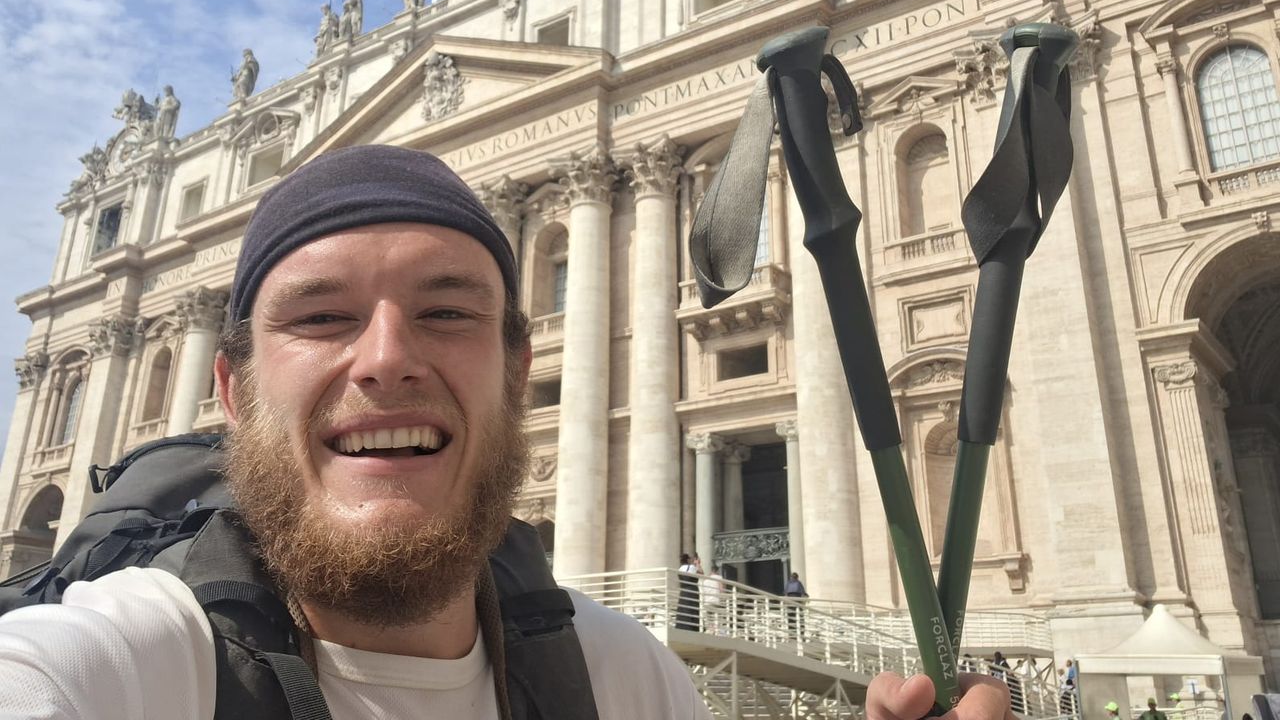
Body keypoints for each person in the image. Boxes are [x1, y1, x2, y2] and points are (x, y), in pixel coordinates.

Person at [0, 145, 1021, 720]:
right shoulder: (109, 673)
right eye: (320, 316)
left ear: (520, 368)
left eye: (447, 310)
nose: (385, 359)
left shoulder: (625, 680)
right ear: (229, 388)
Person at [676, 552, 700, 630]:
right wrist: (698, 564)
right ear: (688, 560)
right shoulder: (692, 567)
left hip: (683, 592)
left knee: (684, 610)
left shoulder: (680, 568)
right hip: (691, 591)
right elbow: (701, 573)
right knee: (692, 610)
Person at [700, 564, 726, 634]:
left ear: (711, 571)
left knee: (709, 618)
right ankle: (717, 631)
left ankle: (711, 630)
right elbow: (721, 590)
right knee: (717, 618)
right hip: (715, 600)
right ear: (717, 571)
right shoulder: (719, 577)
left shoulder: (706, 580)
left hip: (707, 601)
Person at [784, 571, 807, 636]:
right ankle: (801, 633)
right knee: (800, 617)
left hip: (790, 602)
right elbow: (802, 592)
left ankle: (791, 634)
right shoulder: (798, 583)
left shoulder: (788, 583)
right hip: (797, 601)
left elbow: (785, 593)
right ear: (797, 577)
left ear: (791, 577)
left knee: (791, 618)